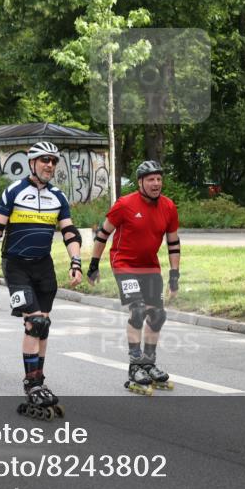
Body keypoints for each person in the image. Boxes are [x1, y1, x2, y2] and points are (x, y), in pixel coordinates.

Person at [0, 141, 83, 419]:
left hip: (43, 267)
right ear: (32, 163)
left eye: (53, 161)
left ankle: (39, 377)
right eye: (44, 160)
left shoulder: (58, 196)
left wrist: (76, 261)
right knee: (34, 322)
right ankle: (32, 383)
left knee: (44, 325)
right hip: (15, 266)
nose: (49, 165)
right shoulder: (14, 191)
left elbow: (70, 232)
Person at [87, 160, 181, 394]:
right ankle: (135, 366)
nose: (156, 183)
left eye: (159, 179)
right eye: (151, 179)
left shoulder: (168, 207)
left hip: (150, 267)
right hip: (124, 264)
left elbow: (173, 242)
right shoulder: (124, 204)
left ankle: (149, 363)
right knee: (138, 310)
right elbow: (102, 234)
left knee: (157, 316)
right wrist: (93, 265)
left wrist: (174, 275)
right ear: (140, 182)